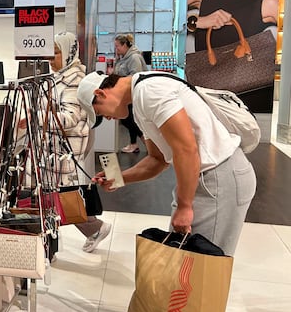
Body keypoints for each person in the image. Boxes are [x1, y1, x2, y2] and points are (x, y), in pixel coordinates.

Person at [77, 71, 256, 256]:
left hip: (218, 178)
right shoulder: (140, 98)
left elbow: (186, 149)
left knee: (202, 266)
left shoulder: (148, 91)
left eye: (99, 112)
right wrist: (118, 178)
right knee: (185, 264)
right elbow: (157, 160)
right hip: (205, 179)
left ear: (100, 93)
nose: (106, 118)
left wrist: (184, 206)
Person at [48, 32, 111, 253]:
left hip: (67, 145)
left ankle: (94, 227)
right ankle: (91, 228)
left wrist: (35, 116)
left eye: (56, 53)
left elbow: (69, 118)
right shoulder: (62, 75)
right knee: (59, 194)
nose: (50, 58)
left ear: (68, 53)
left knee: (59, 195)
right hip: (61, 145)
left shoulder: (73, 80)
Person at [113, 34, 146, 154]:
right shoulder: (123, 58)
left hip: (132, 93)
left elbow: (135, 76)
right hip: (126, 93)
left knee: (128, 119)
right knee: (131, 118)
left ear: (125, 45)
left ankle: (145, 140)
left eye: (117, 47)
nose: (116, 49)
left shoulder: (134, 58)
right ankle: (134, 144)